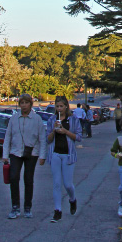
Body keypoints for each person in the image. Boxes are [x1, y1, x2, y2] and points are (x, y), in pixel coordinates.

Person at [3, 93, 47, 219]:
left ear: (30, 104)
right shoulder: (14, 118)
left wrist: (42, 156)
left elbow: (42, 139)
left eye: (26, 103)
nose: (24, 105)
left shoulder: (36, 119)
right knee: (13, 177)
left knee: (28, 179)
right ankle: (15, 207)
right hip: (15, 152)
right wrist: (5, 154)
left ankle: (27, 207)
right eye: (21, 103)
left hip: (31, 152)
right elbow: (8, 137)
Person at [47, 95, 82, 223]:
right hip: (55, 154)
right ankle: (57, 211)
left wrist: (65, 131)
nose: (59, 109)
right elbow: (48, 139)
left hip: (68, 155)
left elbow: (78, 137)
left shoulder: (73, 120)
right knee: (56, 184)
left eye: (61, 106)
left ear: (66, 106)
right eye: (57, 106)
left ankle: (72, 199)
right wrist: (54, 131)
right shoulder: (52, 119)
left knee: (67, 184)